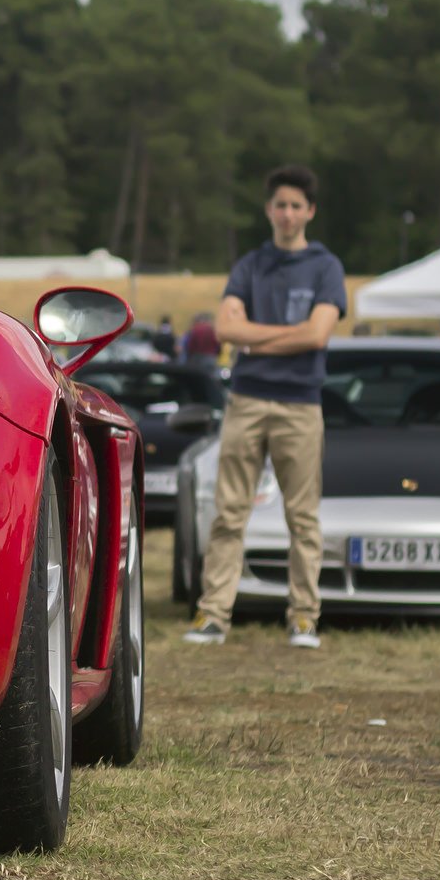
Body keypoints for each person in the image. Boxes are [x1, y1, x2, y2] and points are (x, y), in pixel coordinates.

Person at [184, 165, 347, 650]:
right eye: (281, 204)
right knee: (230, 511)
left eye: (297, 205)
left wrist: (259, 338)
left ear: (310, 211)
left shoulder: (326, 267)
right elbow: (227, 330)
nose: (288, 213)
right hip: (247, 402)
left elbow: (319, 334)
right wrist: (288, 338)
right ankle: (214, 615)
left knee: (303, 516)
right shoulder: (251, 265)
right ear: (269, 210)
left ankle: (303, 617)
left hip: (300, 405)